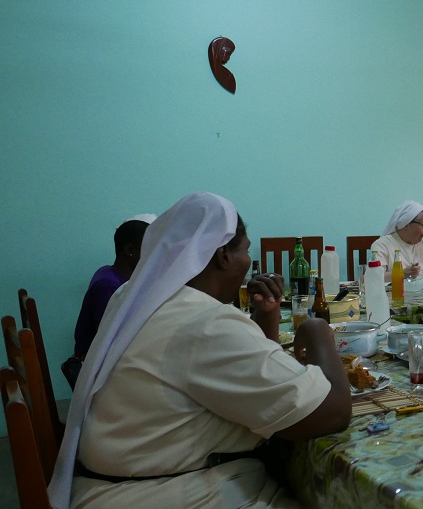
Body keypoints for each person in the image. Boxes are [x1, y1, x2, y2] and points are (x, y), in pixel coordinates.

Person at [48, 192, 352, 509]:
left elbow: (240, 374)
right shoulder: (203, 322)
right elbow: (331, 413)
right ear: (222, 255)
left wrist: (267, 318)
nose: (249, 264)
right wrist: (318, 331)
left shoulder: (137, 297)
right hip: (167, 493)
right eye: (246, 252)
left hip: (125, 482)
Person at [61, 214, 156, 389]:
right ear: (130, 250)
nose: (155, 256)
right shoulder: (108, 285)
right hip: (97, 374)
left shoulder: (108, 273)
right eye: (150, 249)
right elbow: (108, 341)